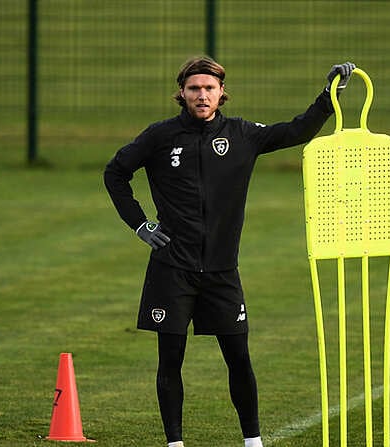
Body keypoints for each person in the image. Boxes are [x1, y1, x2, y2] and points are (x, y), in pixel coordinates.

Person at [103, 56, 355, 447]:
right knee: (171, 359)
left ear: (222, 93)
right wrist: (140, 224)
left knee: (238, 358)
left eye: (209, 88)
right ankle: (175, 443)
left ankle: (252, 441)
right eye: (193, 89)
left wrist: (329, 97)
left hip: (222, 271)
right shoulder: (160, 136)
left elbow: (297, 131)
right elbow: (115, 173)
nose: (201, 95)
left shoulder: (242, 135)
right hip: (172, 268)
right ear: (181, 94)